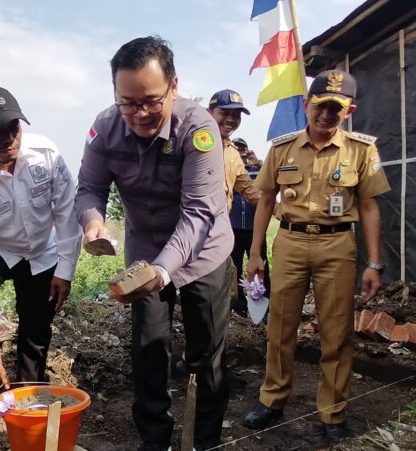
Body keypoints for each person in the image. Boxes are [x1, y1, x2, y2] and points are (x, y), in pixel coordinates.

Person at [75, 36, 233, 451]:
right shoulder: (105, 128)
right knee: (148, 351)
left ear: (174, 86)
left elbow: (199, 212)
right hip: (144, 250)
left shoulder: (199, 129)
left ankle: (203, 440)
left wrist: (163, 272)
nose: (139, 113)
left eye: (150, 101)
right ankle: (155, 440)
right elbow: (88, 188)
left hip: (204, 253)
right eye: (128, 102)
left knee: (206, 356)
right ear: (115, 94)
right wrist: (93, 225)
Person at [242, 70, 390, 446]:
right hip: (290, 243)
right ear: (306, 104)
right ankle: (272, 399)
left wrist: (373, 263)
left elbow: (370, 207)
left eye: (335, 109)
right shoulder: (282, 148)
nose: (325, 114)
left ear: (349, 110)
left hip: (337, 247)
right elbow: (265, 201)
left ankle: (333, 412)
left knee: (337, 333)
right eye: (319, 105)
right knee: (280, 328)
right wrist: (256, 253)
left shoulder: (361, 150)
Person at [0, 85, 80, 446]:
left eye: (14, 128)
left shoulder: (46, 155)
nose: (8, 139)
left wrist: (65, 270)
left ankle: (26, 392)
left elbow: (67, 215)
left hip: (40, 249)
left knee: (36, 325)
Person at [208, 91, 262, 314]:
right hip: (192, 234)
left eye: (236, 115)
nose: (231, 120)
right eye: (225, 113)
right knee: (203, 295)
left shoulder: (231, 153)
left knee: (226, 292)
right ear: (210, 112)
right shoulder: (192, 140)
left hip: (219, 235)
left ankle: (216, 341)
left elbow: (250, 190)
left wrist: (284, 211)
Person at [227, 138, 270, 314]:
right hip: (234, 227)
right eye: (237, 149)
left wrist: (257, 162)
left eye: (243, 150)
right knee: (235, 266)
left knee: (261, 266)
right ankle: (239, 305)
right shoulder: (230, 167)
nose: (241, 153)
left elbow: (267, 186)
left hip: (254, 228)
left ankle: (262, 302)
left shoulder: (256, 171)